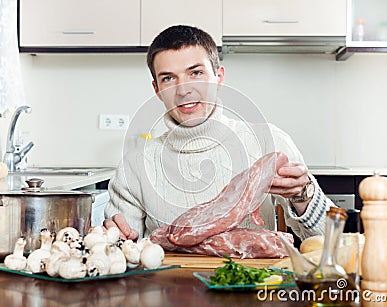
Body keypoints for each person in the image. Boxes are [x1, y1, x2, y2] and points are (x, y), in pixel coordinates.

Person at [103, 25, 334, 242]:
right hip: (169, 284)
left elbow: (330, 242)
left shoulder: (269, 141)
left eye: (195, 73)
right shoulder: (134, 166)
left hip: (253, 282)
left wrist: (303, 195)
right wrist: (114, 240)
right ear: (157, 90)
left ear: (219, 77)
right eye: (169, 78)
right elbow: (122, 249)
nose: (183, 90)